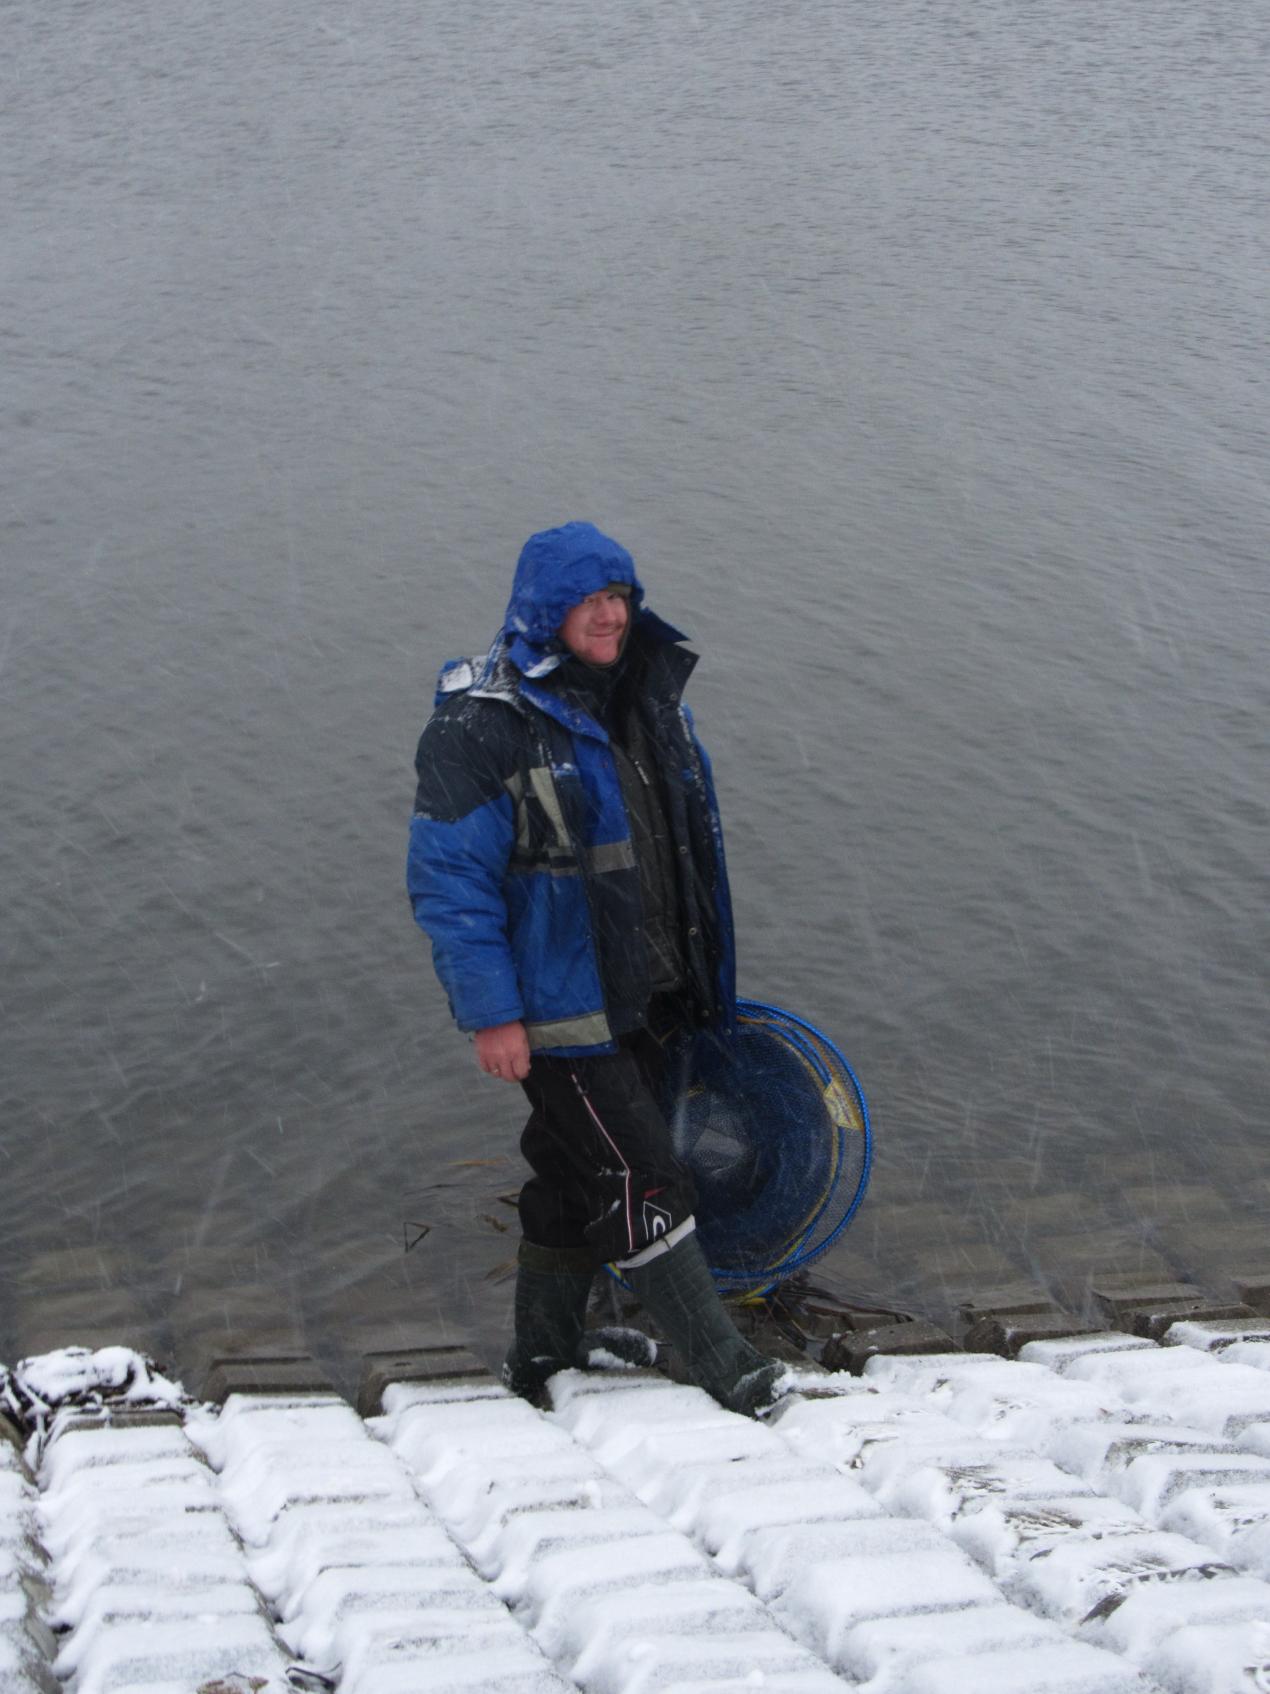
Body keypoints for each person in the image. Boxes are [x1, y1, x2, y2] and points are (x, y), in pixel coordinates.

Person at [407, 520, 783, 1415]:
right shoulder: (481, 724)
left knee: (572, 1172)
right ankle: (724, 1365)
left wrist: (699, 983)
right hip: (559, 1013)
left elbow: (683, 852)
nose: (611, 616)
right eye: (590, 601)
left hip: (651, 994)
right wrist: (492, 1015)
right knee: (642, 1173)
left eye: (620, 597)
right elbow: (449, 884)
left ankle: (543, 1354)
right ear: (545, 611)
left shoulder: (648, 700)